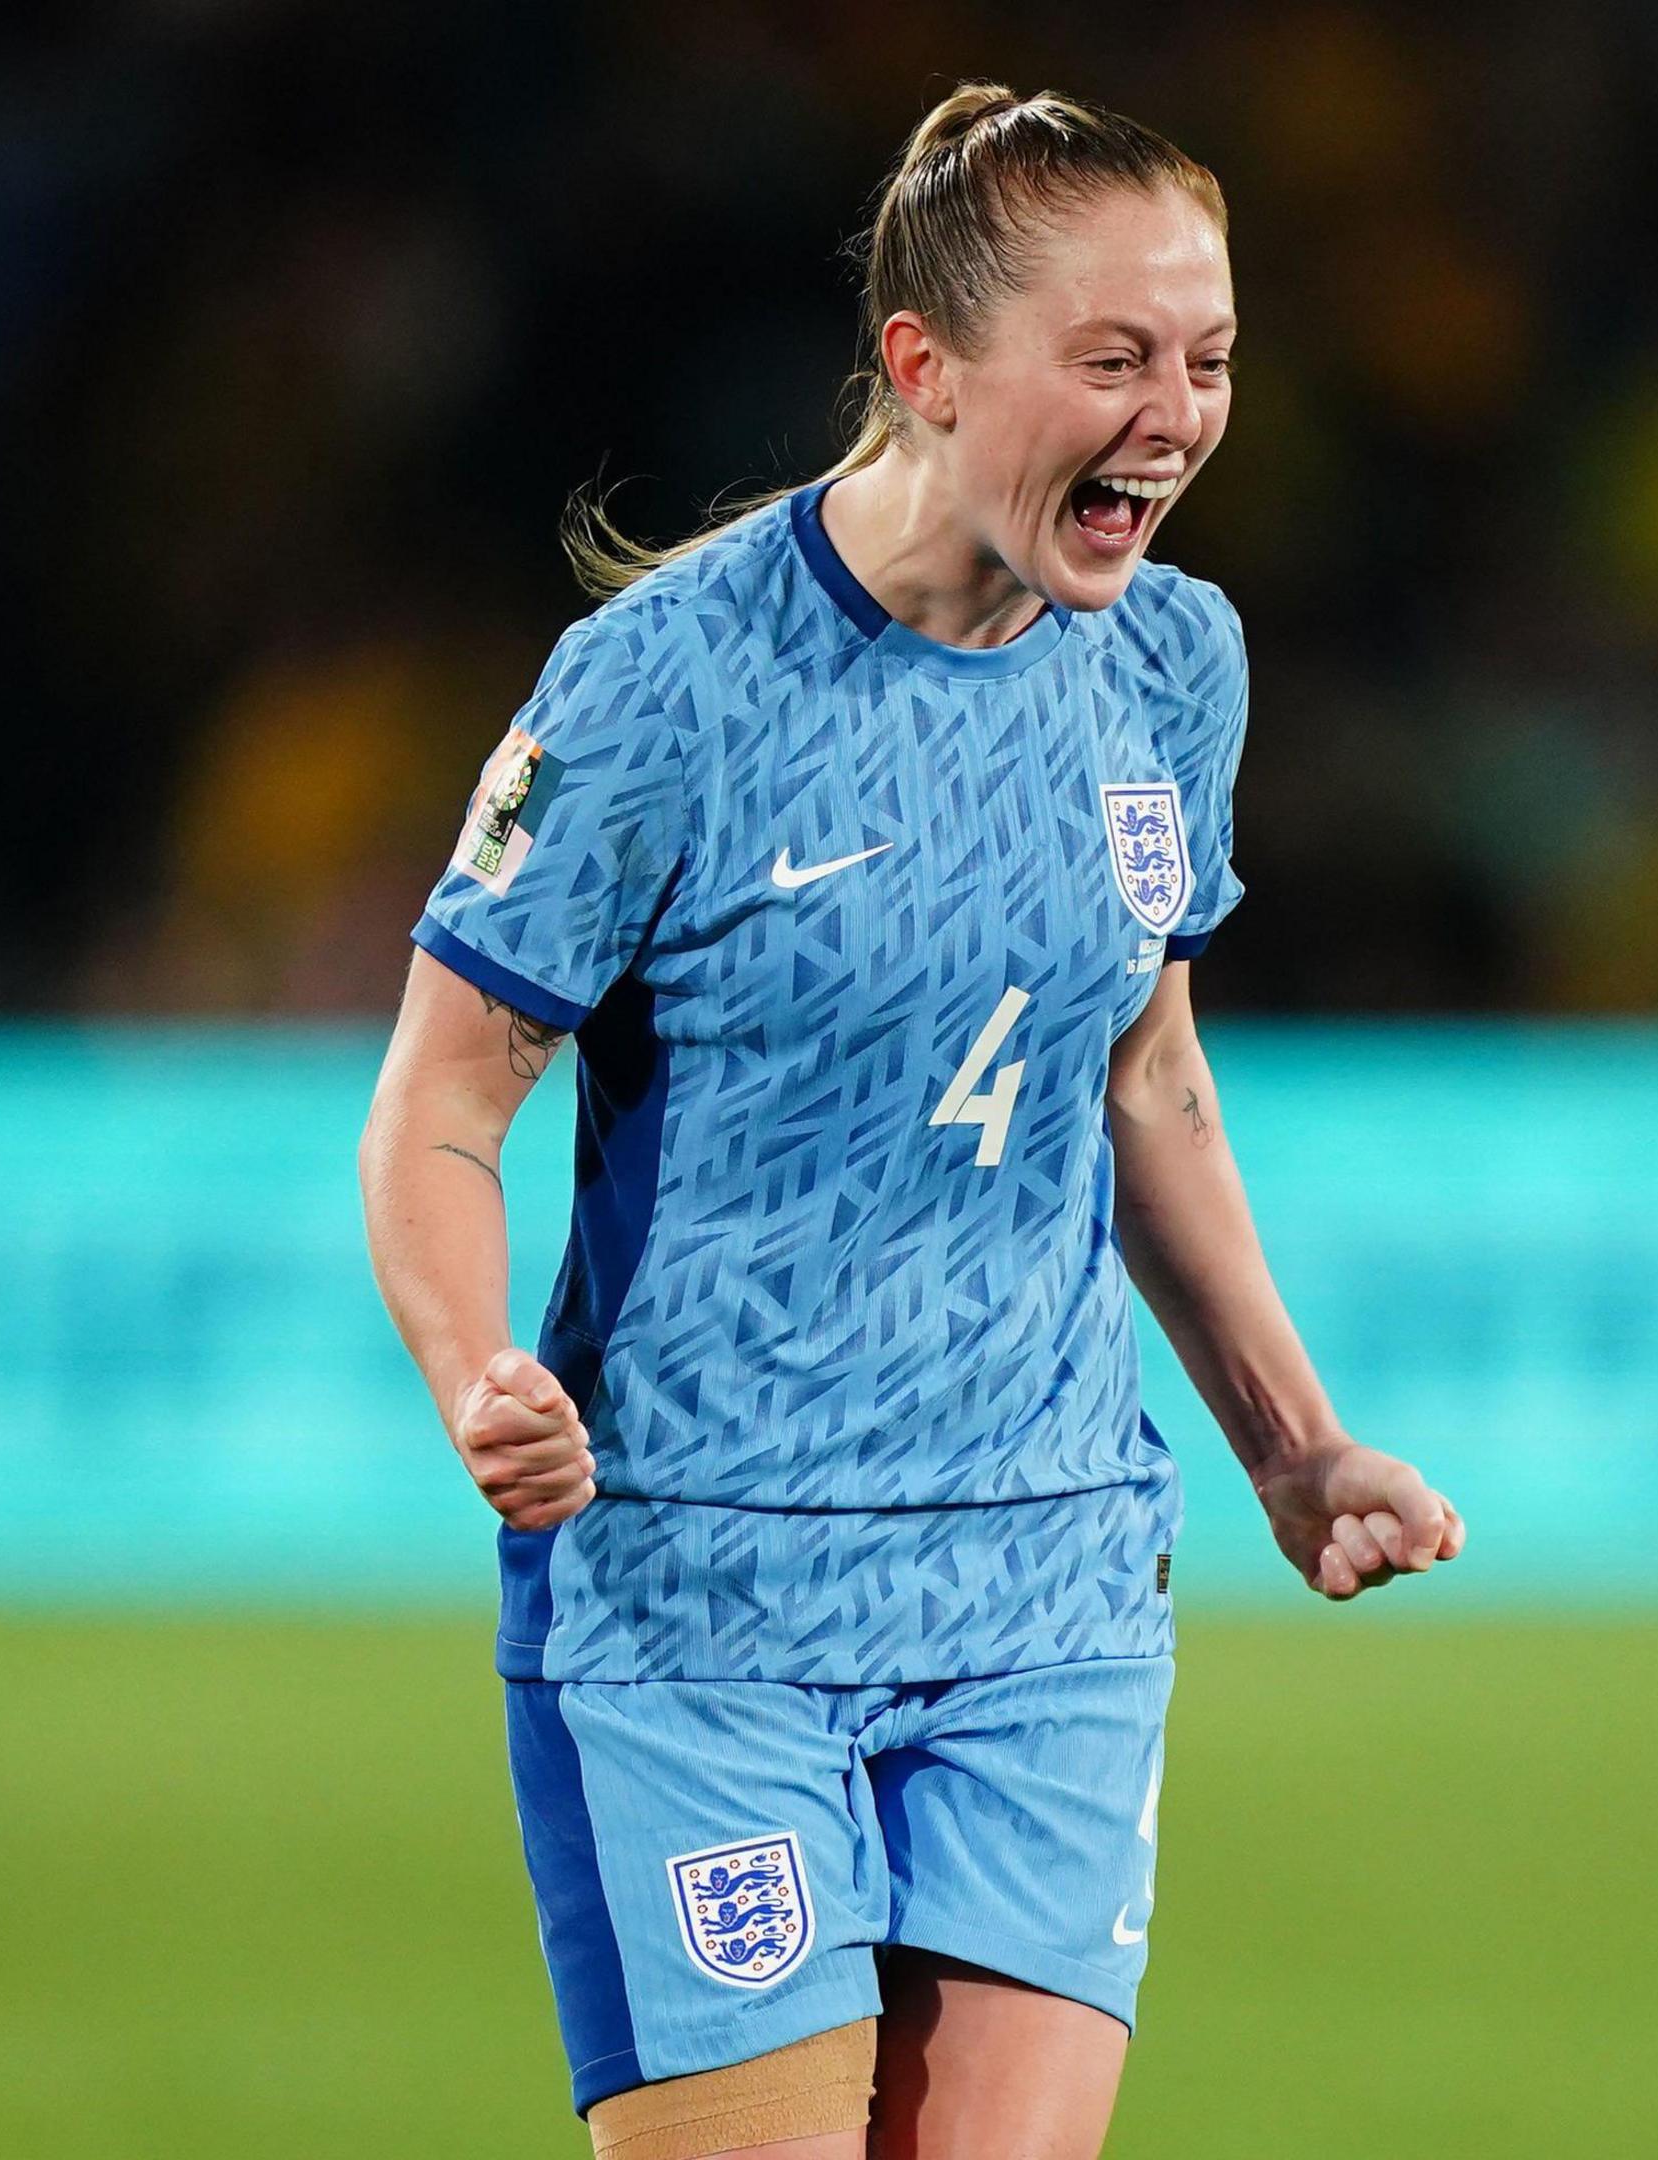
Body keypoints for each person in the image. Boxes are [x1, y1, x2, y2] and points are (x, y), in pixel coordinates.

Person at [355, 85, 1462, 2160]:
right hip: (700, 1604)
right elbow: (438, 1103)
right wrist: (470, 1365)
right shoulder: (659, 691)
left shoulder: (1173, 664)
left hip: (1044, 1590)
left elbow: (1152, 1084)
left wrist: (1291, 1444)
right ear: (926, 371)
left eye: (1209, 358)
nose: (1177, 414)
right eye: (1116, 359)